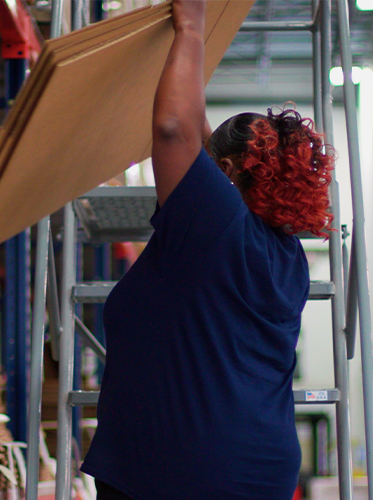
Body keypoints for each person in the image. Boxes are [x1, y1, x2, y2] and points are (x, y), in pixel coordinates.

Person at [80, 0, 334, 498]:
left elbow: (176, 129)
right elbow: (195, 137)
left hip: (186, 471)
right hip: (251, 467)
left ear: (228, 172)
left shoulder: (216, 226)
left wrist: (191, 30)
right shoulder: (284, 254)